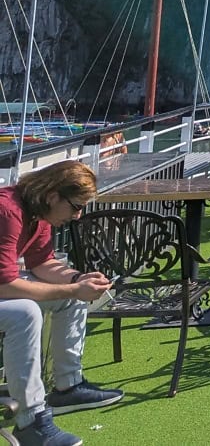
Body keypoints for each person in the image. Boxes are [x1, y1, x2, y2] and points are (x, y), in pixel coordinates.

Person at [0, 160, 123, 446]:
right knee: (25, 312)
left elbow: (42, 262)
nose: (78, 216)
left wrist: (78, 279)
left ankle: (68, 388)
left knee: (69, 293)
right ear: (53, 195)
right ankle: (32, 423)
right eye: (76, 206)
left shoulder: (36, 211)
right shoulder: (8, 211)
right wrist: (72, 290)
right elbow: (5, 284)